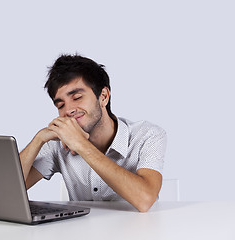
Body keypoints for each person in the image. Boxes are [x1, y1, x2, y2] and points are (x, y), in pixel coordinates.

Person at [20, 54, 167, 212]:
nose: (68, 110)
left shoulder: (148, 135)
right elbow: (6, 191)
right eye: (60, 105)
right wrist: (38, 139)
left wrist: (81, 145)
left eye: (77, 97)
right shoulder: (57, 144)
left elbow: (145, 200)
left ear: (103, 97)